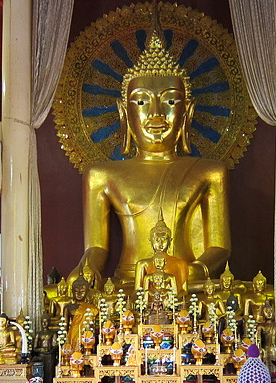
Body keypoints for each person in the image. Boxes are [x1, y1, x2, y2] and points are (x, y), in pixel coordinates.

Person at [70, 21, 231, 286]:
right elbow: (96, 248)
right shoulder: (101, 175)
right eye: (142, 101)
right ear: (124, 113)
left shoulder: (210, 172)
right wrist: (85, 271)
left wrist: (194, 271)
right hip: (128, 286)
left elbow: (220, 248)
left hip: (186, 284)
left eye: (169, 101)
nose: (156, 113)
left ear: (187, 112)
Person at [134, 215, 189, 294]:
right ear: (150, 241)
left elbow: (184, 291)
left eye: (164, 239)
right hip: (150, 300)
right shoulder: (143, 264)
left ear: (170, 240)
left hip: (171, 301)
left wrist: (173, 299)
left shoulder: (180, 263)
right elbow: (137, 290)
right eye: (156, 240)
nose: (160, 243)